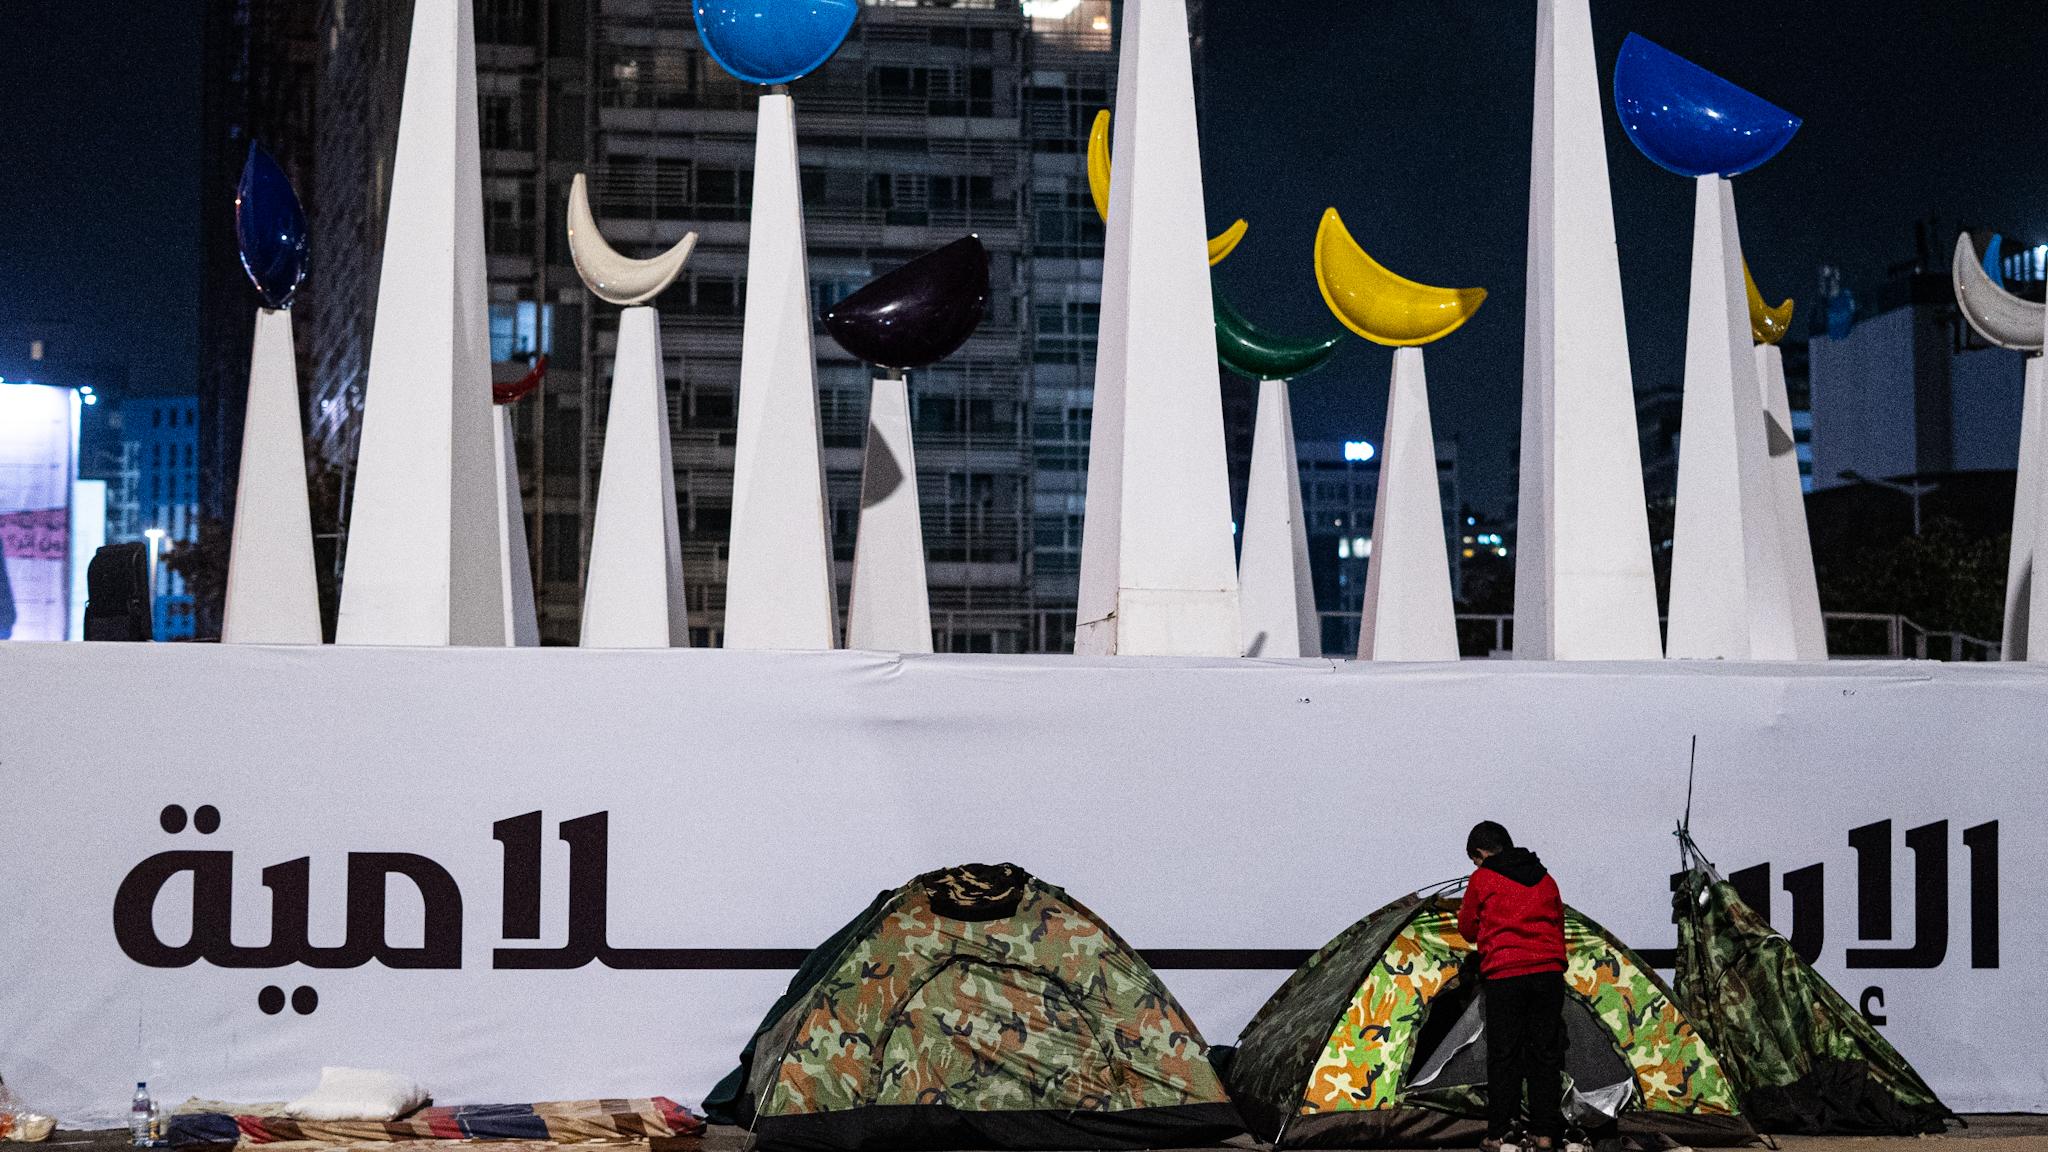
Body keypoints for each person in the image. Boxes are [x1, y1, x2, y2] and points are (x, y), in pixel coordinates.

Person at [1456, 821, 1567, 1152]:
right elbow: (1559, 922)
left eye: (1474, 860)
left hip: (1506, 973)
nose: (1475, 866)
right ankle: (1545, 1133)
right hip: (1548, 973)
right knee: (1545, 1054)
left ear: (1481, 853)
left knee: (1504, 1053)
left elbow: (1467, 928)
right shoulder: (1546, 879)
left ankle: (1501, 1133)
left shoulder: (1483, 878)